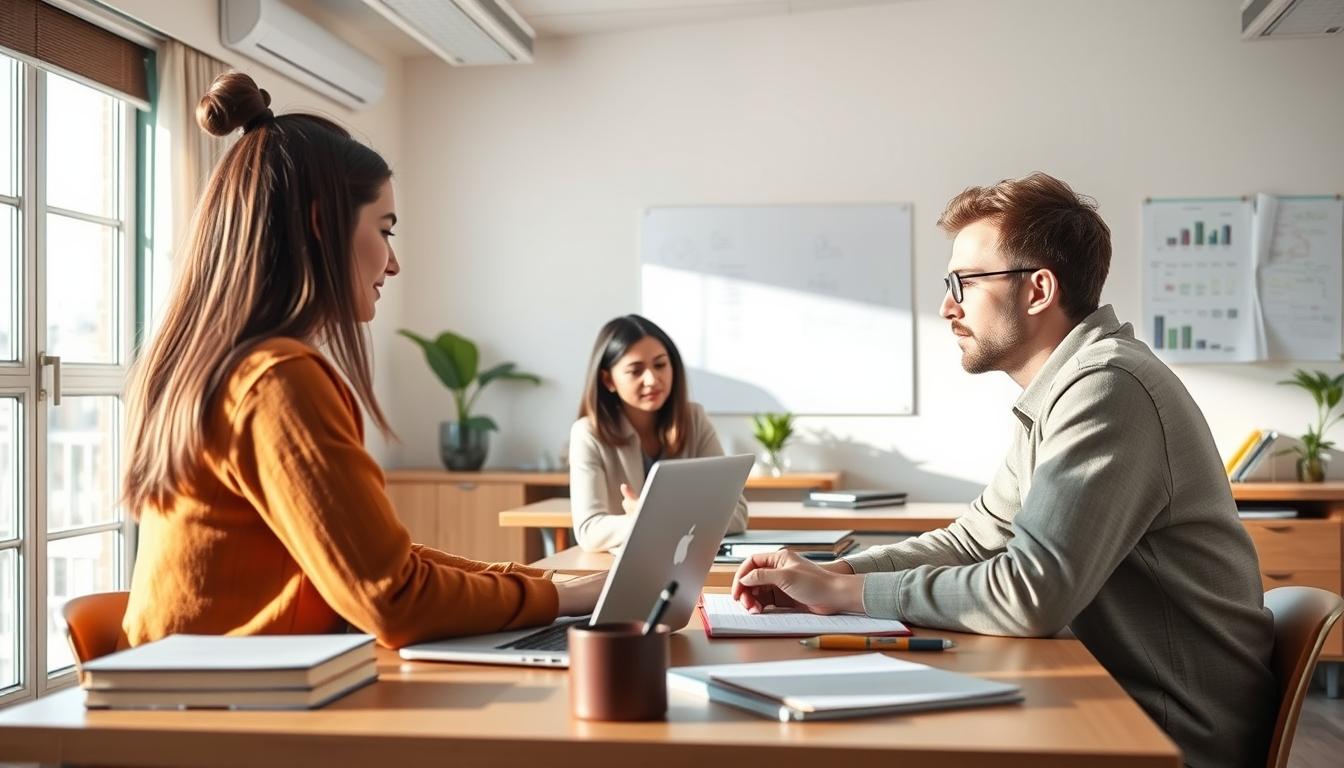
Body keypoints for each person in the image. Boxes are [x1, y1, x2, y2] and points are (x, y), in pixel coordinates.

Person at [730, 173, 1275, 767]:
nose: (946, 306)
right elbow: (976, 539)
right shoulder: (1063, 389)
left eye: (963, 282)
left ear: (1038, 289)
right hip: (1118, 704)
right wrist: (831, 573)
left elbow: (1030, 593)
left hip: (1168, 736)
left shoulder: (1106, 388)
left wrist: (849, 593)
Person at [121, 72, 603, 649]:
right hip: (223, 716)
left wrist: (549, 584)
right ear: (323, 224)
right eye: (385, 230)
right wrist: (557, 597)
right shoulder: (276, 382)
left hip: (191, 698)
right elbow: (391, 597)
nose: (393, 264)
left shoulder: (217, 365)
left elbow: (379, 564)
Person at [569, 314, 748, 551]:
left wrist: (650, 517)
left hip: (685, 560)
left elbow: (737, 514)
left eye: (660, 365)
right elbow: (589, 531)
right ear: (608, 380)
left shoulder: (694, 419)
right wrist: (666, 519)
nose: (652, 380)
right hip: (616, 569)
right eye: (635, 371)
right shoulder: (588, 433)